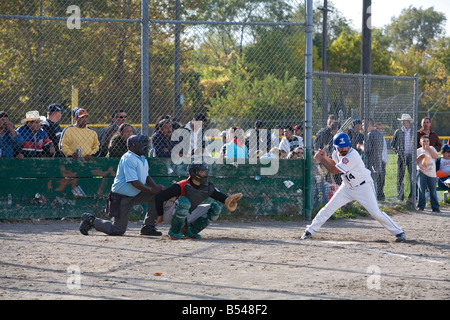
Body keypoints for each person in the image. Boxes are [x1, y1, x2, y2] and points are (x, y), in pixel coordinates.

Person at [301, 132, 406, 242]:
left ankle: (399, 232)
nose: (344, 149)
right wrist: (325, 157)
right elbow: (335, 164)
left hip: (363, 187)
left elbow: (334, 170)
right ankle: (309, 231)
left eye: (346, 146)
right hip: (346, 187)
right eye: (340, 148)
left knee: (376, 213)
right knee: (328, 208)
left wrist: (321, 159)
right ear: (336, 148)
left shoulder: (352, 155)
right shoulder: (336, 153)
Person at [79, 135, 165, 236]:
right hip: (122, 196)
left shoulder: (142, 158)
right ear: (131, 147)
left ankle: (148, 227)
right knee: (117, 230)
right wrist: (151, 190)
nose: (144, 148)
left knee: (157, 197)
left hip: (135, 193)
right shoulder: (128, 158)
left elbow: (146, 176)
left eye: (144, 145)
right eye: (141, 146)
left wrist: (155, 188)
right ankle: (90, 221)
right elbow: (134, 182)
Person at [140, 162, 243, 240]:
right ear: (194, 173)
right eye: (201, 172)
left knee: (215, 208)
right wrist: (160, 215)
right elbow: (159, 197)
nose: (203, 174)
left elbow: (218, 195)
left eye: (204, 172)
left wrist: (228, 200)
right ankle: (174, 231)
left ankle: (191, 231)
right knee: (184, 201)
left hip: (187, 213)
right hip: (171, 213)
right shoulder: (182, 185)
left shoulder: (206, 186)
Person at [391, 114, 414, 202]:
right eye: (402, 121)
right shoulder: (398, 132)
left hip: (411, 157)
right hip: (401, 157)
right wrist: (398, 152)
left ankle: (412, 196)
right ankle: (400, 196)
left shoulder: (413, 132)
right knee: (400, 176)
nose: (402, 122)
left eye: (404, 120)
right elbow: (393, 144)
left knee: (412, 176)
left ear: (408, 122)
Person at [360, 119, 384, 199]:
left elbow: (367, 149)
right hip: (378, 162)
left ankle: (372, 201)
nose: (362, 128)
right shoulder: (379, 134)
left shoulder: (369, 134)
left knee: (371, 183)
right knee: (374, 182)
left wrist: (360, 146)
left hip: (371, 163)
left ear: (368, 125)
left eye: (363, 125)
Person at [416, 136, 440, 212]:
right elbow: (415, 162)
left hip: (431, 173)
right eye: (424, 141)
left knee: (432, 190)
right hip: (421, 171)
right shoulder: (418, 150)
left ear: (429, 142)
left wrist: (428, 148)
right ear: (420, 143)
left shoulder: (432, 148)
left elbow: (435, 156)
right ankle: (421, 206)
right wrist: (420, 156)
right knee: (421, 189)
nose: (426, 143)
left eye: (427, 141)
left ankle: (435, 207)